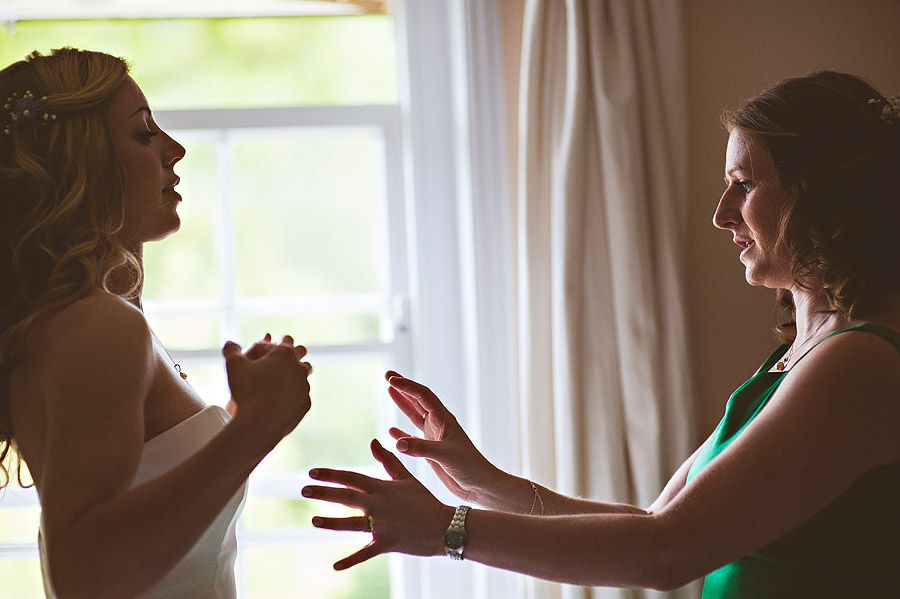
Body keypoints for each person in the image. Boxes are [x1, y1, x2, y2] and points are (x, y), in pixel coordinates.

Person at [302, 70, 900, 597]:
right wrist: (486, 485)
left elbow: (668, 551)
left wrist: (446, 530)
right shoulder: (797, 358)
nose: (721, 213)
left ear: (815, 194)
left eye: (744, 184)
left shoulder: (859, 364)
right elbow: (656, 520)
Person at [0, 48, 312, 598]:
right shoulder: (96, 324)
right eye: (144, 134)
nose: (175, 149)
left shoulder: (78, 319)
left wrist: (238, 414)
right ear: (82, 160)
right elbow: (85, 575)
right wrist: (254, 427)